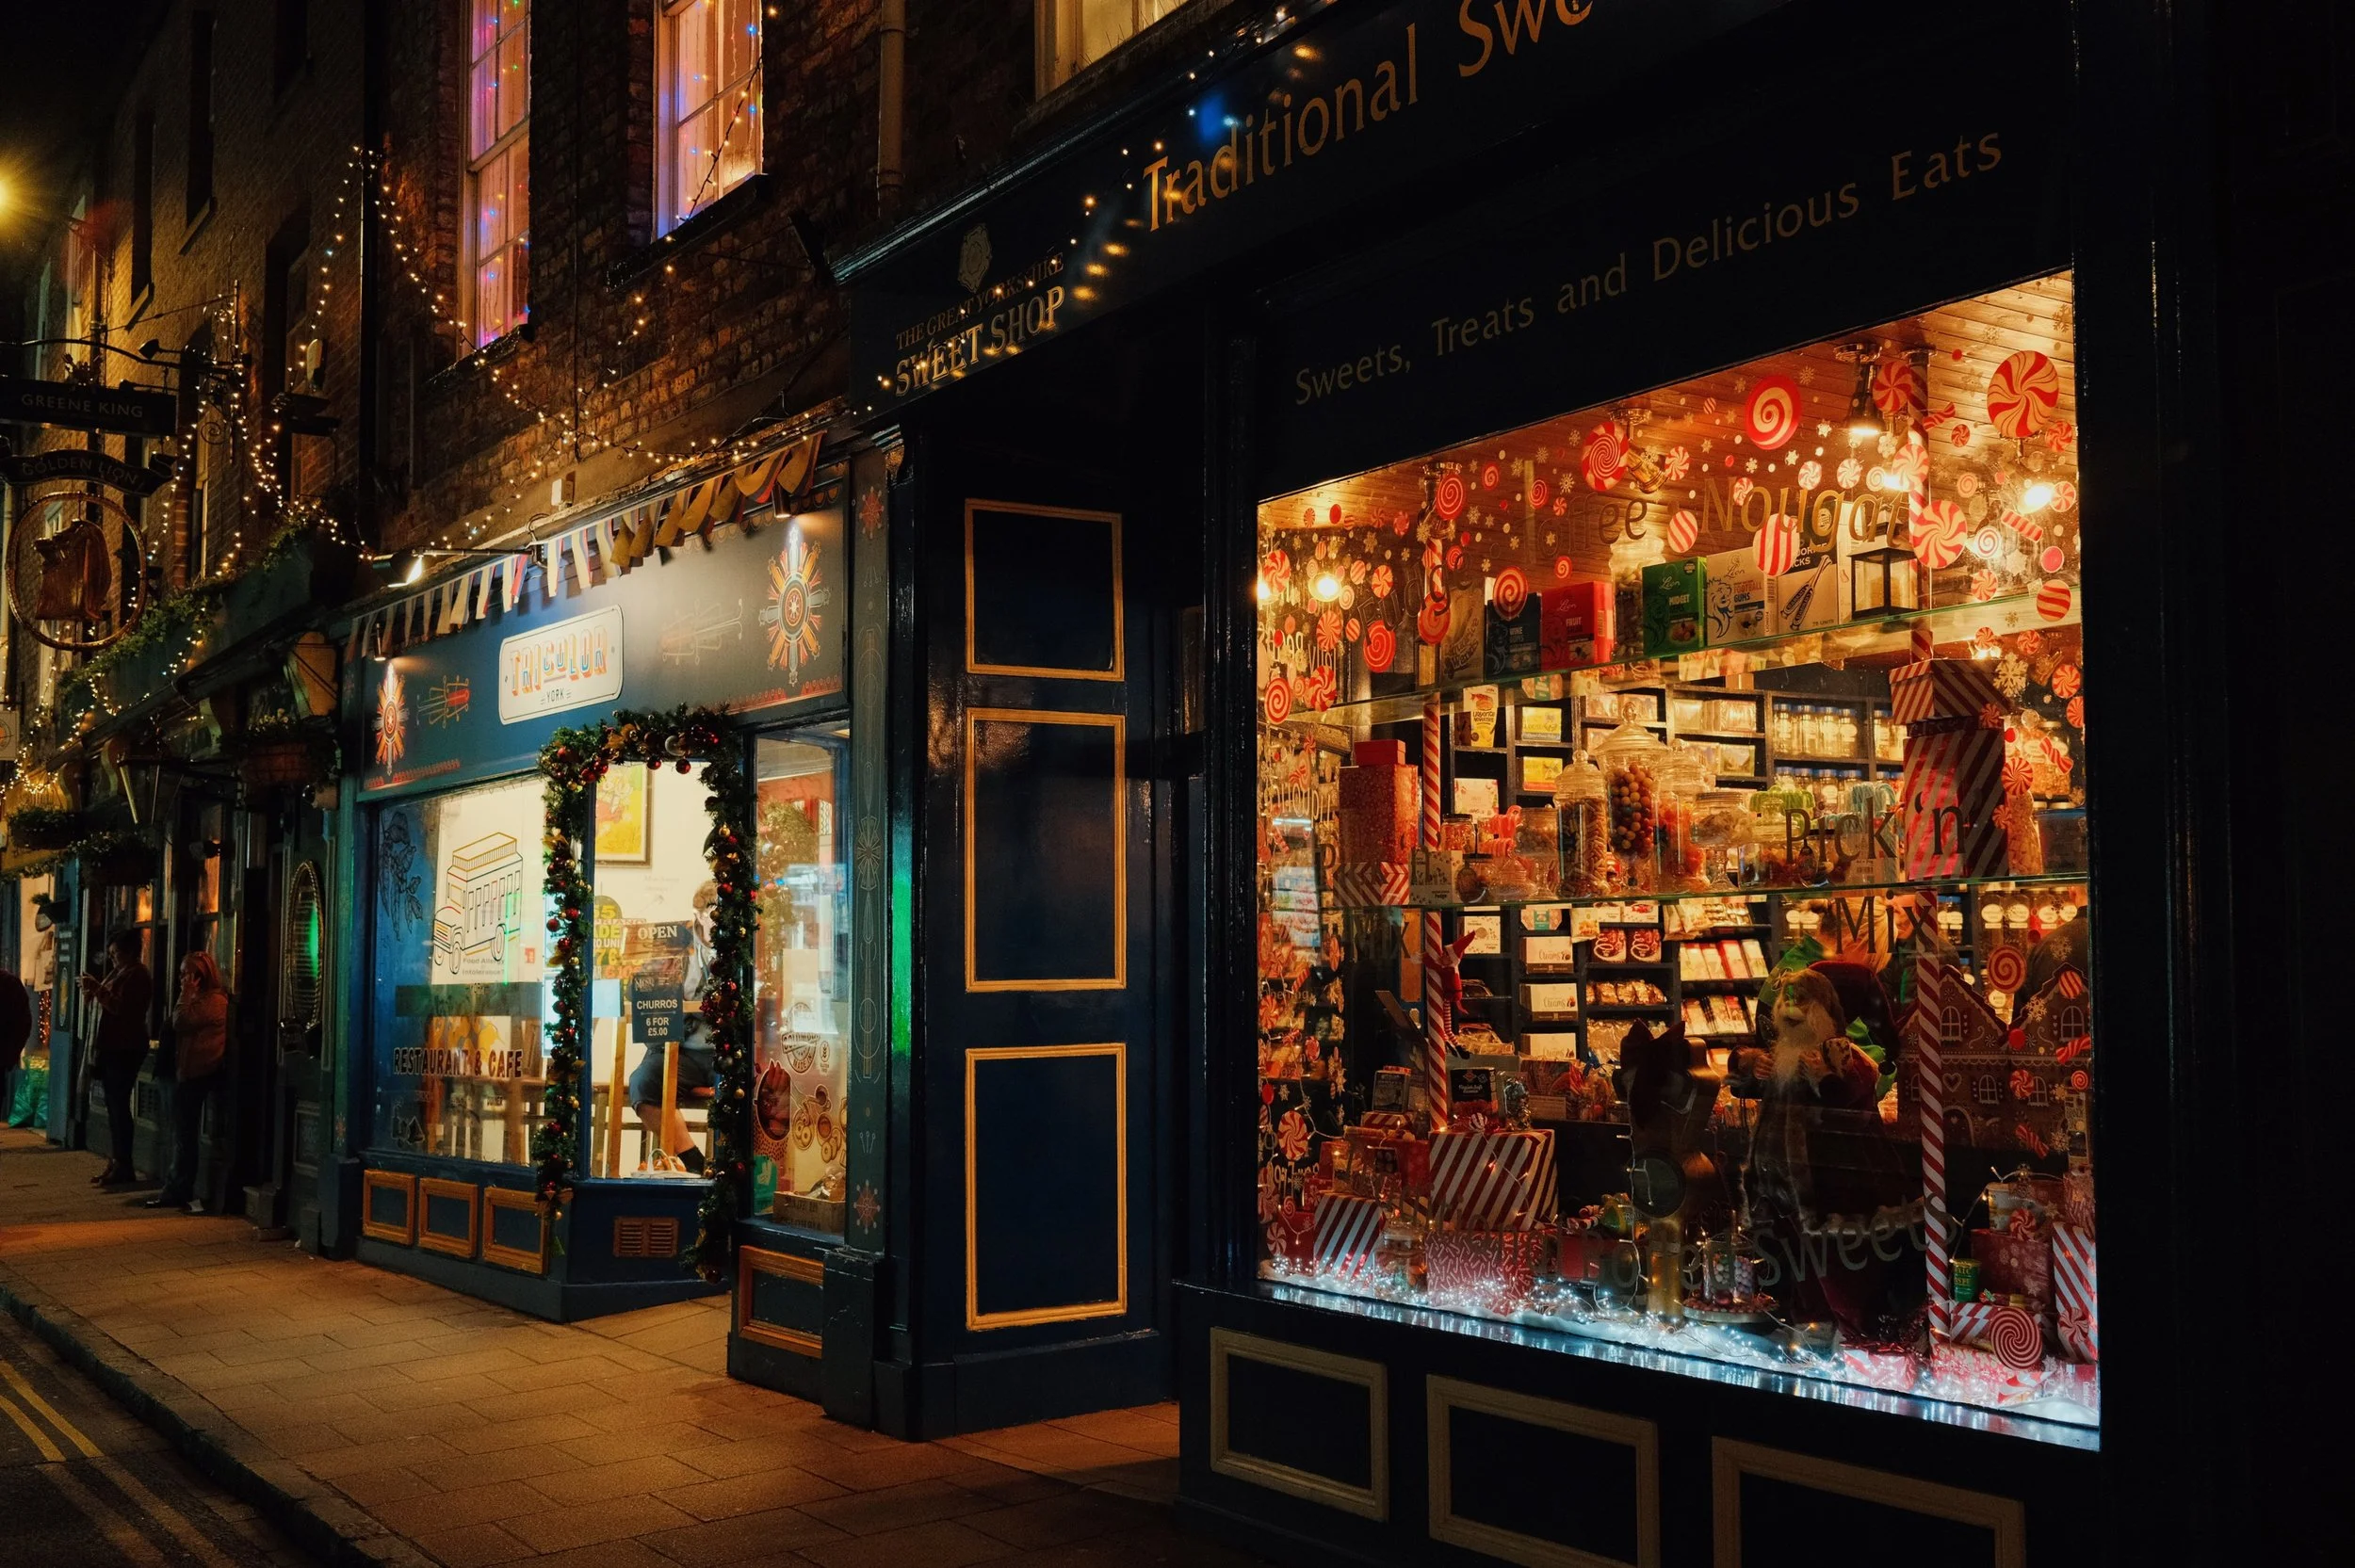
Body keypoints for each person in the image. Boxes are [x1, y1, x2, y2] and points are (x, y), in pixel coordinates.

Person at [628, 882, 719, 1172]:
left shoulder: (744, 945)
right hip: (683, 1051)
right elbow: (636, 992)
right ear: (699, 914)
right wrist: (654, 980)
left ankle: (732, 1169)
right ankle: (694, 1162)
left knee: (747, 1089)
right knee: (644, 1082)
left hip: (727, 1050)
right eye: (715, 913)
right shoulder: (676, 944)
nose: (722, 920)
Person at [147, 952, 229, 1213]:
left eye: (188, 974)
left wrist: (186, 994)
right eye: (181, 973)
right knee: (180, 1134)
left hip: (198, 1074)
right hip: (186, 1073)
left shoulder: (214, 1001)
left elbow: (180, 1021)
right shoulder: (197, 999)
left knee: (184, 1136)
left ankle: (178, 1188)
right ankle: (175, 1185)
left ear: (201, 976)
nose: (183, 979)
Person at [78, 930, 153, 1188]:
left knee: (119, 1107)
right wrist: (93, 994)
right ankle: (117, 1160)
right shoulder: (118, 973)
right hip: (110, 1047)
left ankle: (123, 1163)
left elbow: (123, 1009)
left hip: (125, 1048)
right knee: (113, 1107)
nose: (112, 959)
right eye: (110, 954)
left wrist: (97, 990)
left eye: (116, 954)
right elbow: (105, 1006)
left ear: (130, 952)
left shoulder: (137, 975)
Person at [0, 964, 31, 1124]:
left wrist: (8, 1057)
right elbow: (23, 1025)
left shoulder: (8, 984)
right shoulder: (10, 983)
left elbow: (22, 1024)